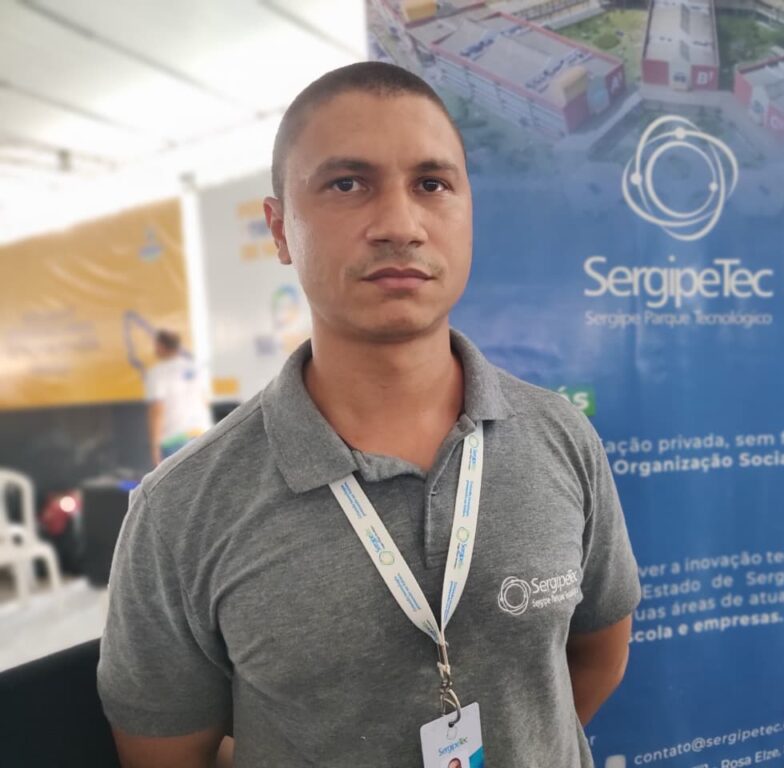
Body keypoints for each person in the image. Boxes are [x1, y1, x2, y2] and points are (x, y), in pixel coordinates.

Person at [98, 62, 640, 767]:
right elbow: (166, 756)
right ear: (280, 229)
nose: (399, 225)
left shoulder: (560, 437)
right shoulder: (181, 510)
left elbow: (598, 658)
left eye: (432, 184)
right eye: (347, 184)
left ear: (467, 212)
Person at [144, 329, 212, 466]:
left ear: (161, 346)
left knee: (179, 478)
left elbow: (157, 409)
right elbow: (205, 402)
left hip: (174, 438)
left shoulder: (157, 373)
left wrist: (154, 446)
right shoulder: (195, 368)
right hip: (201, 432)